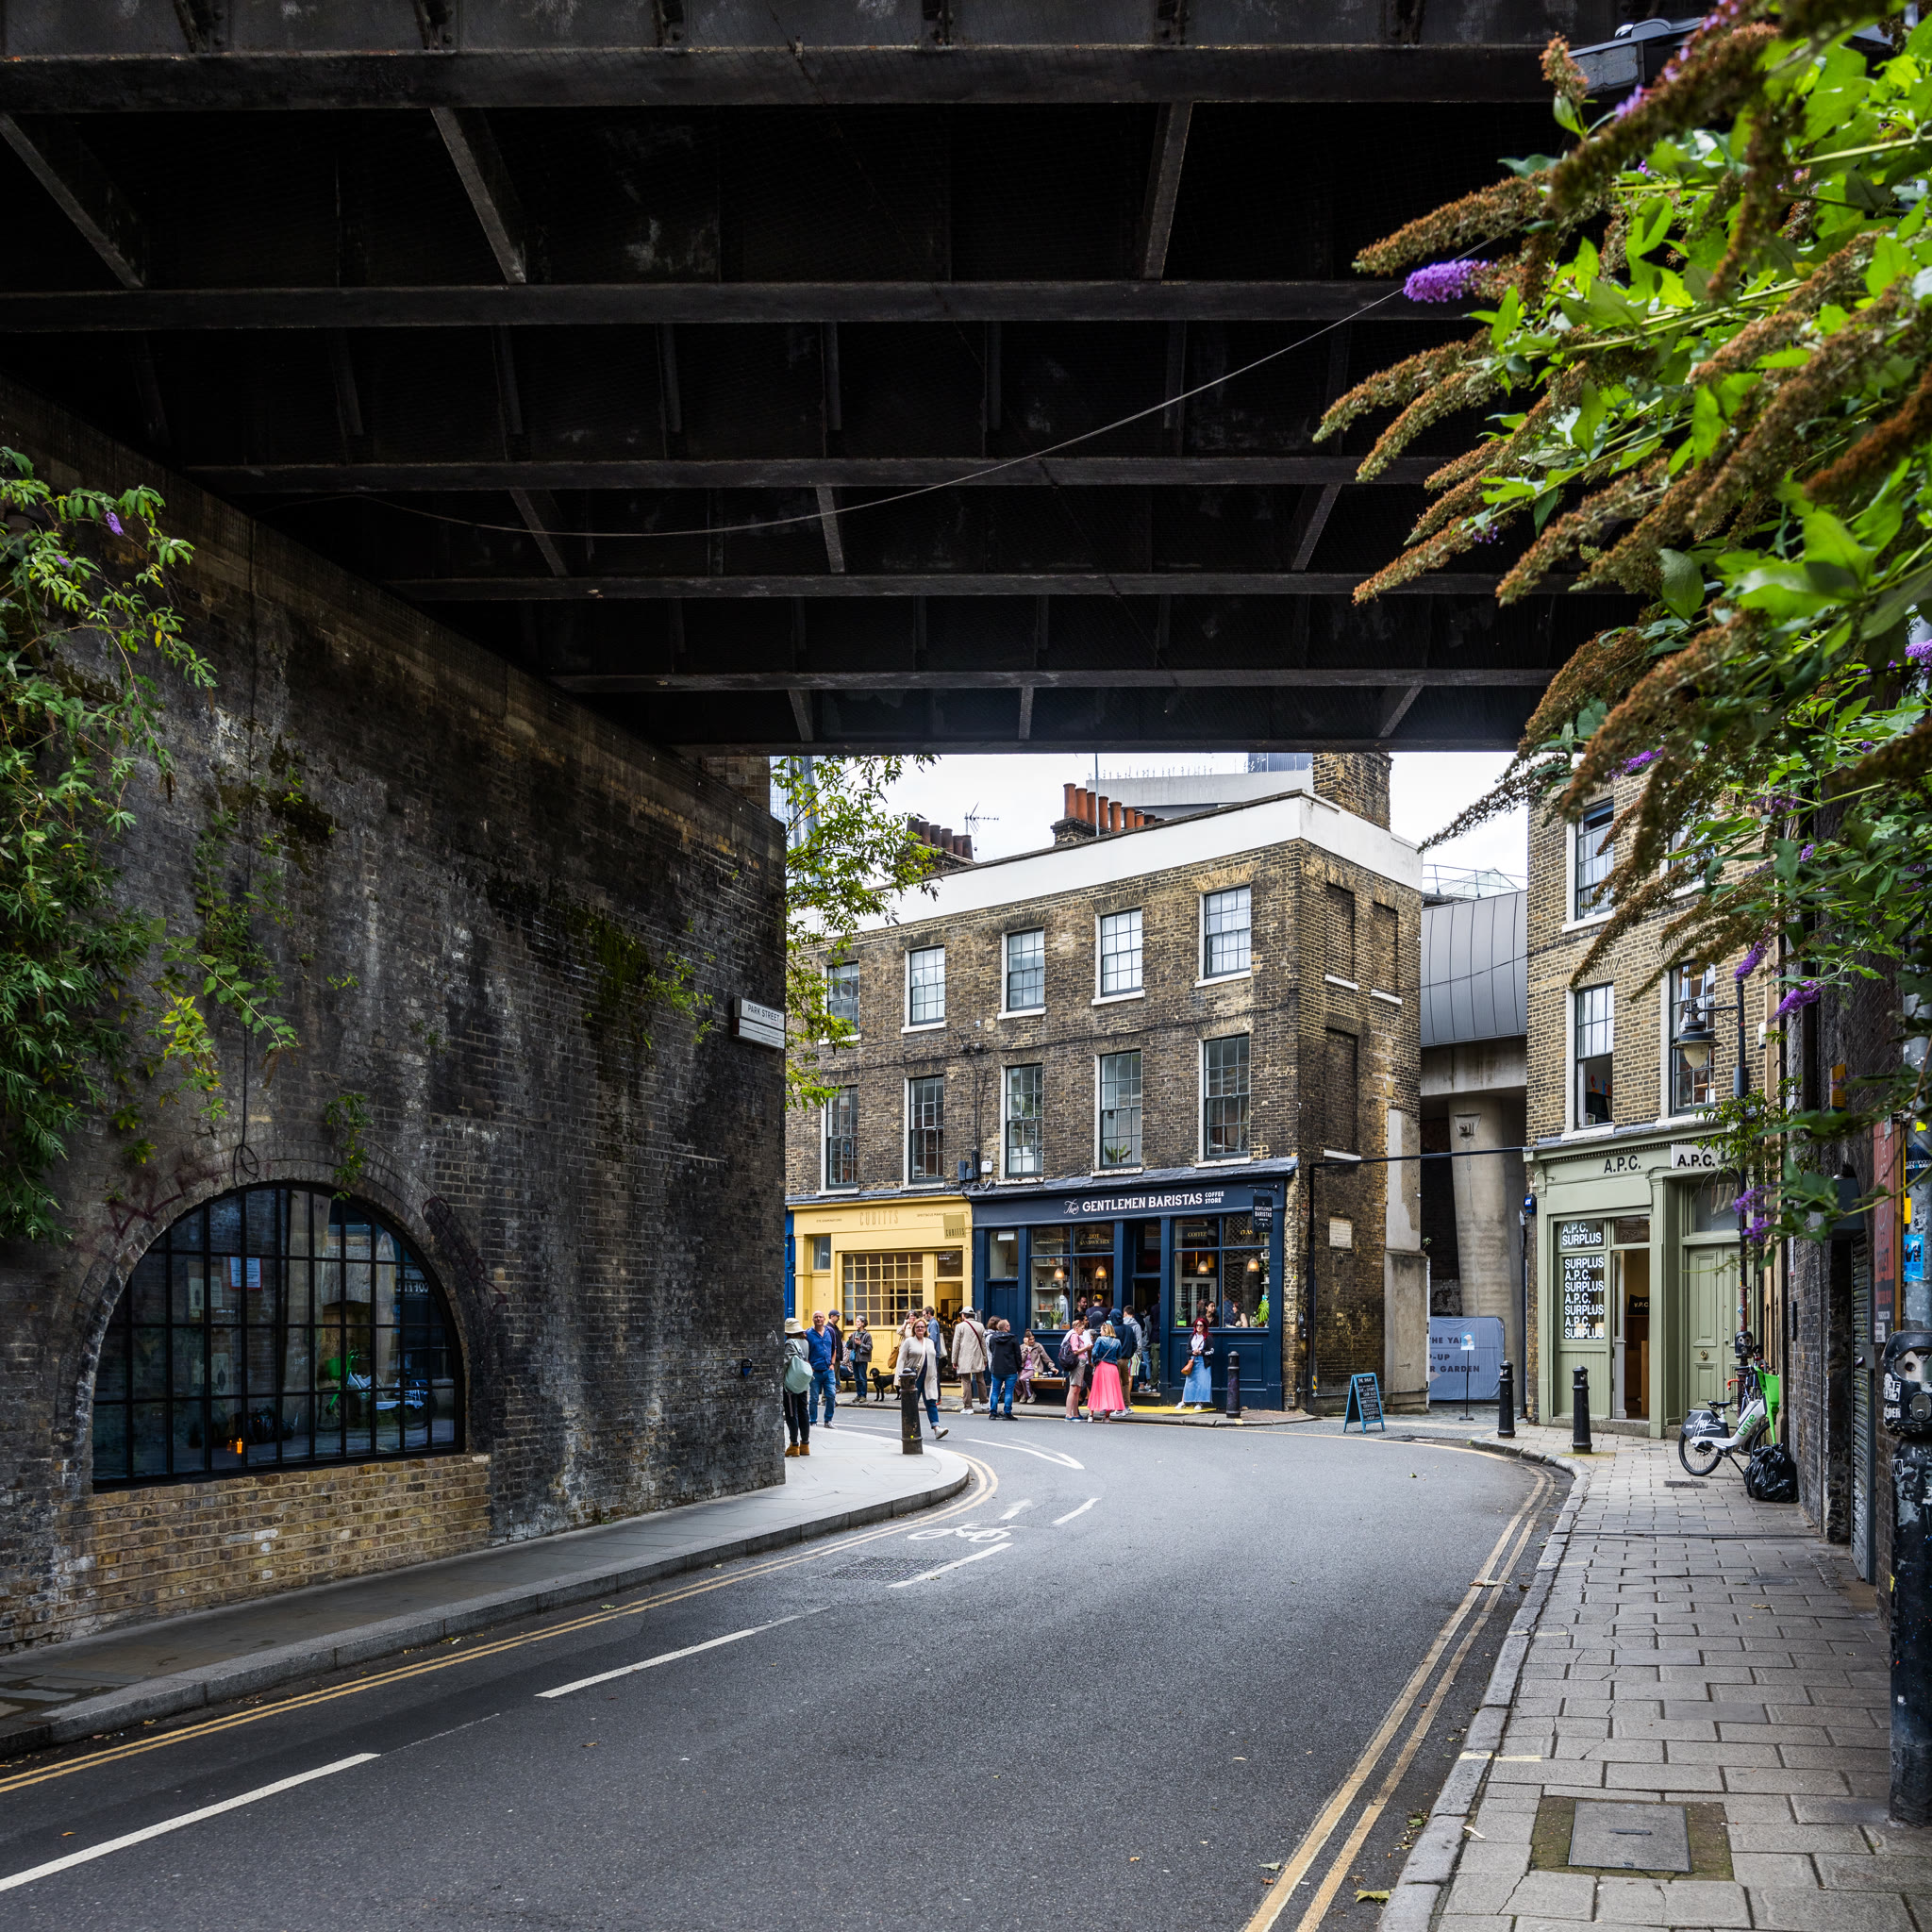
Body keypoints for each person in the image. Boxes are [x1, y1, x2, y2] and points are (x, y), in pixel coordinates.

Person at [896, 1315, 948, 1440]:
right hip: (913, 1377)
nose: (920, 1329)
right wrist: (899, 1378)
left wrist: (935, 1376)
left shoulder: (930, 1342)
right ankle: (910, 1429)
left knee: (931, 1402)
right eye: (917, 1327)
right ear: (914, 1329)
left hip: (928, 1377)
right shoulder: (909, 1341)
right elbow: (901, 1359)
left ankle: (937, 1429)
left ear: (926, 1328)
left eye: (922, 1327)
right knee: (911, 1404)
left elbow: (933, 1360)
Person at [781, 1315, 812, 1457]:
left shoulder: (789, 1343)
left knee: (791, 1413)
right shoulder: (805, 1342)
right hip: (803, 1382)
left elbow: (785, 1362)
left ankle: (794, 1445)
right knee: (803, 1410)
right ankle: (805, 1444)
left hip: (791, 1383)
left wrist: (780, 1377)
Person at [952, 1305, 990, 1413]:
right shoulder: (980, 1326)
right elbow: (983, 1344)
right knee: (980, 1380)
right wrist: (985, 1358)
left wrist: (954, 1360)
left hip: (964, 1357)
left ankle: (968, 1407)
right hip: (978, 1356)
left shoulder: (960, 1326)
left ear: (964, 1315)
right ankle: (984, 1403)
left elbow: (956, 1344)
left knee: (966, 1381)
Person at [806, 1309, 839, 1427]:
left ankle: (828, 1420)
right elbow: (805, 1352)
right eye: (816, 1317)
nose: (818, 1319)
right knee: (814, 1398)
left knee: (831, 1395)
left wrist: (832, 1364)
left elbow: (834, 1348)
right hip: (815, 1372)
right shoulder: (808, 1334)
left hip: (828, 1370)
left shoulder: (830, 1331)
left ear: (824, 1319)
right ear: (813, 1319)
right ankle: (813, 1421)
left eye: (820, 1317)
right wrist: (810, 1367)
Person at [1089, 1320, 1127, 1421]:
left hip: (1101, 1367)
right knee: (1111, 1391)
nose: (1100, 1332)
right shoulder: (1117, 1342)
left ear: (1105, 1331)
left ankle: (1091, 1415)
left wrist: (1094, 1361)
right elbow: (1119, 1356)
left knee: (1096, 1390)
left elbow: (1094, 1353)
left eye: (1101, 1330)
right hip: (1113, 1368)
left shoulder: (1100, 1339)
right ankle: (1107, 1417)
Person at [987, 1318, 1023, 1419]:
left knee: (995, 1391)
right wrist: (1019, 1367)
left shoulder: (992, 1338)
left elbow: (991, 1350)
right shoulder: (1013, 1338)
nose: (1010, 1327)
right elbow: (1018, 1354)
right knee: (1008, 1391)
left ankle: (993, 1413)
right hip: (1010, 1369)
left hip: (996, 1369)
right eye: (1009, 1325)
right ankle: (1007, 1413)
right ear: (1006, 1327)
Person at [1060, 1318, 1093, 1422]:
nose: (1083, 1330)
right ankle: (1069, 1415)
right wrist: (1087, 1348)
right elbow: (1075, 1351)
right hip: (1078, 1363)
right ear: (1076, 1328)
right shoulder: (1074, 1336)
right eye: (1082, 1328)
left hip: (1080, 1363)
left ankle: (1075, 1414)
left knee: (1077, 1389)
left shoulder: (1076, 1335)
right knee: (1073, 1388)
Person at [1181, 1314, 1213, 1412]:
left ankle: (1200, 1403)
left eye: (1200, 1325)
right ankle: (1184, 1401)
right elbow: (1187, 1349)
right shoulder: (1192, 1336)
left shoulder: (1208, 1337)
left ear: (1204, 1326)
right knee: (1190, 1382)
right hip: (1193, 1361)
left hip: (1203, 1362)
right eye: (1197, 1325)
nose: (1198, 1327)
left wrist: (1201, 1352)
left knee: (1203, 1382)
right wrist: (1192, 1352)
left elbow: (1211, 1351)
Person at [1119, 1305, 1142, 1413]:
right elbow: (1138, 1342)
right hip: (1133, 1353)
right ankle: (1126, 1402)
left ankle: (1119, 1401)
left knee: (1120, 1378)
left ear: (1125, 1313)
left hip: (1121, 1354)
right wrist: (1138, 1354)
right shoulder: (1136, 1326)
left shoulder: (1120, 1325)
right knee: (1129, 1377)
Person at [1018, 1331, 1050, 1406]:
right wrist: (1025, 1349)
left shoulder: (1038, 1346)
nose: (1032, 1341)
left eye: (1033, 1339)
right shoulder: (1022, 1347)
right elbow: (1021, 1360)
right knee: (1016, 1379)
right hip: (1024, 1368)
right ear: (1026, 1339)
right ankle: (1024, 1394)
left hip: (1034, 1369)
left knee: (1023, 1379)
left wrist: (1052, 1367)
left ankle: (1030, 1394)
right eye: (1030, 1339)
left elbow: (1046, 1357)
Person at [846, 1315, 874, 1400]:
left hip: (862, 1359)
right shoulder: (854, 1333)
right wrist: (849, 1339)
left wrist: (860, 1344)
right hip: (855, 1359)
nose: (856, 1323)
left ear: (863, 1323)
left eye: (858, 1321)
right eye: (856, 1321)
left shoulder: (867, 1335)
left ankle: (863, 1396)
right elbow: (849, 1347)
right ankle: (858, 1395)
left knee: (862, 1378)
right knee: (857, 1378)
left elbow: (869, 1347)